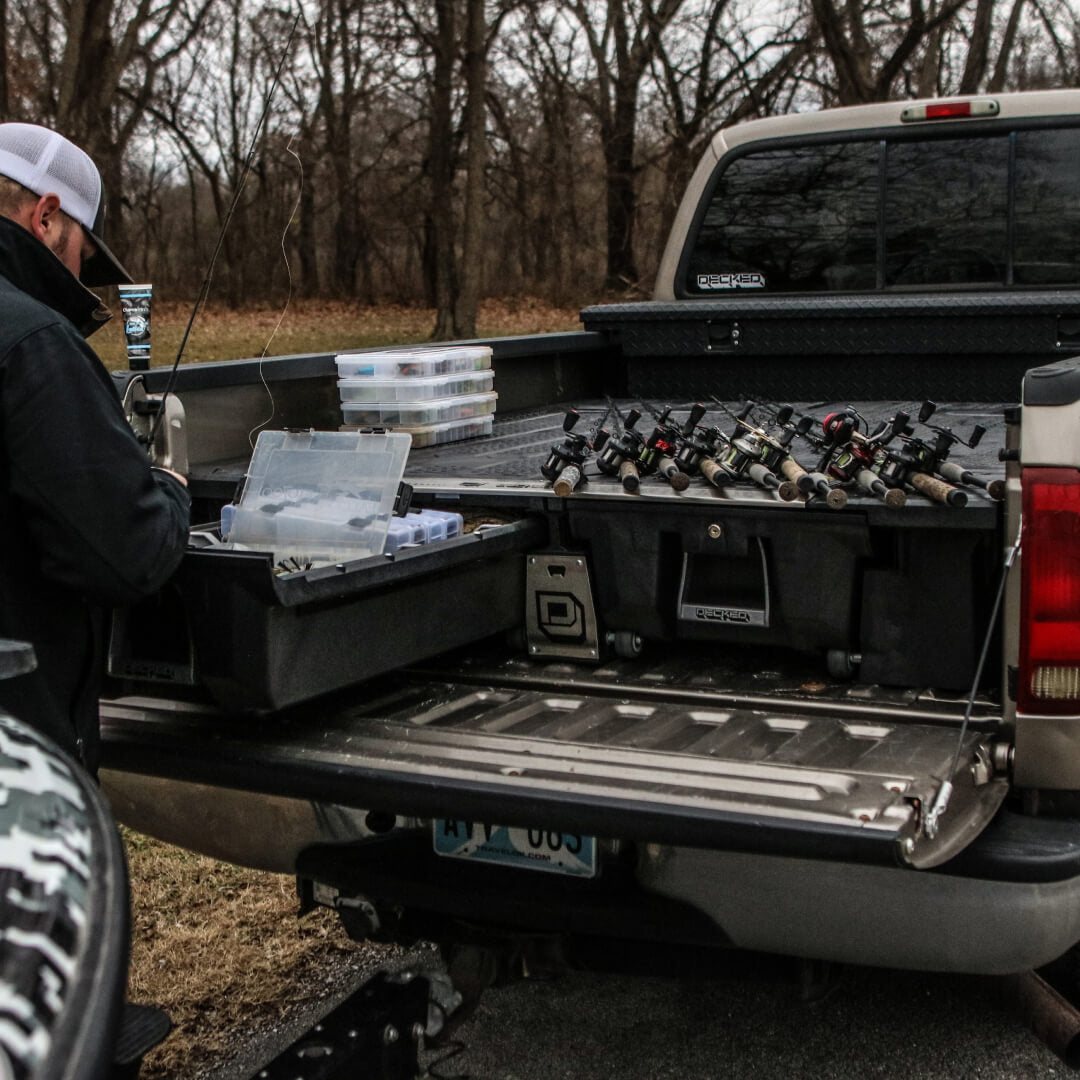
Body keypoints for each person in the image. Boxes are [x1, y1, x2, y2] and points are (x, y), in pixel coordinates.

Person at [0, 122, 190, 772]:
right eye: (82, 249)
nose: (84, 272)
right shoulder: (32, 342)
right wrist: (167, 485)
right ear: (47, 216)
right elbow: (123, 554)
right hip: (16, 765)